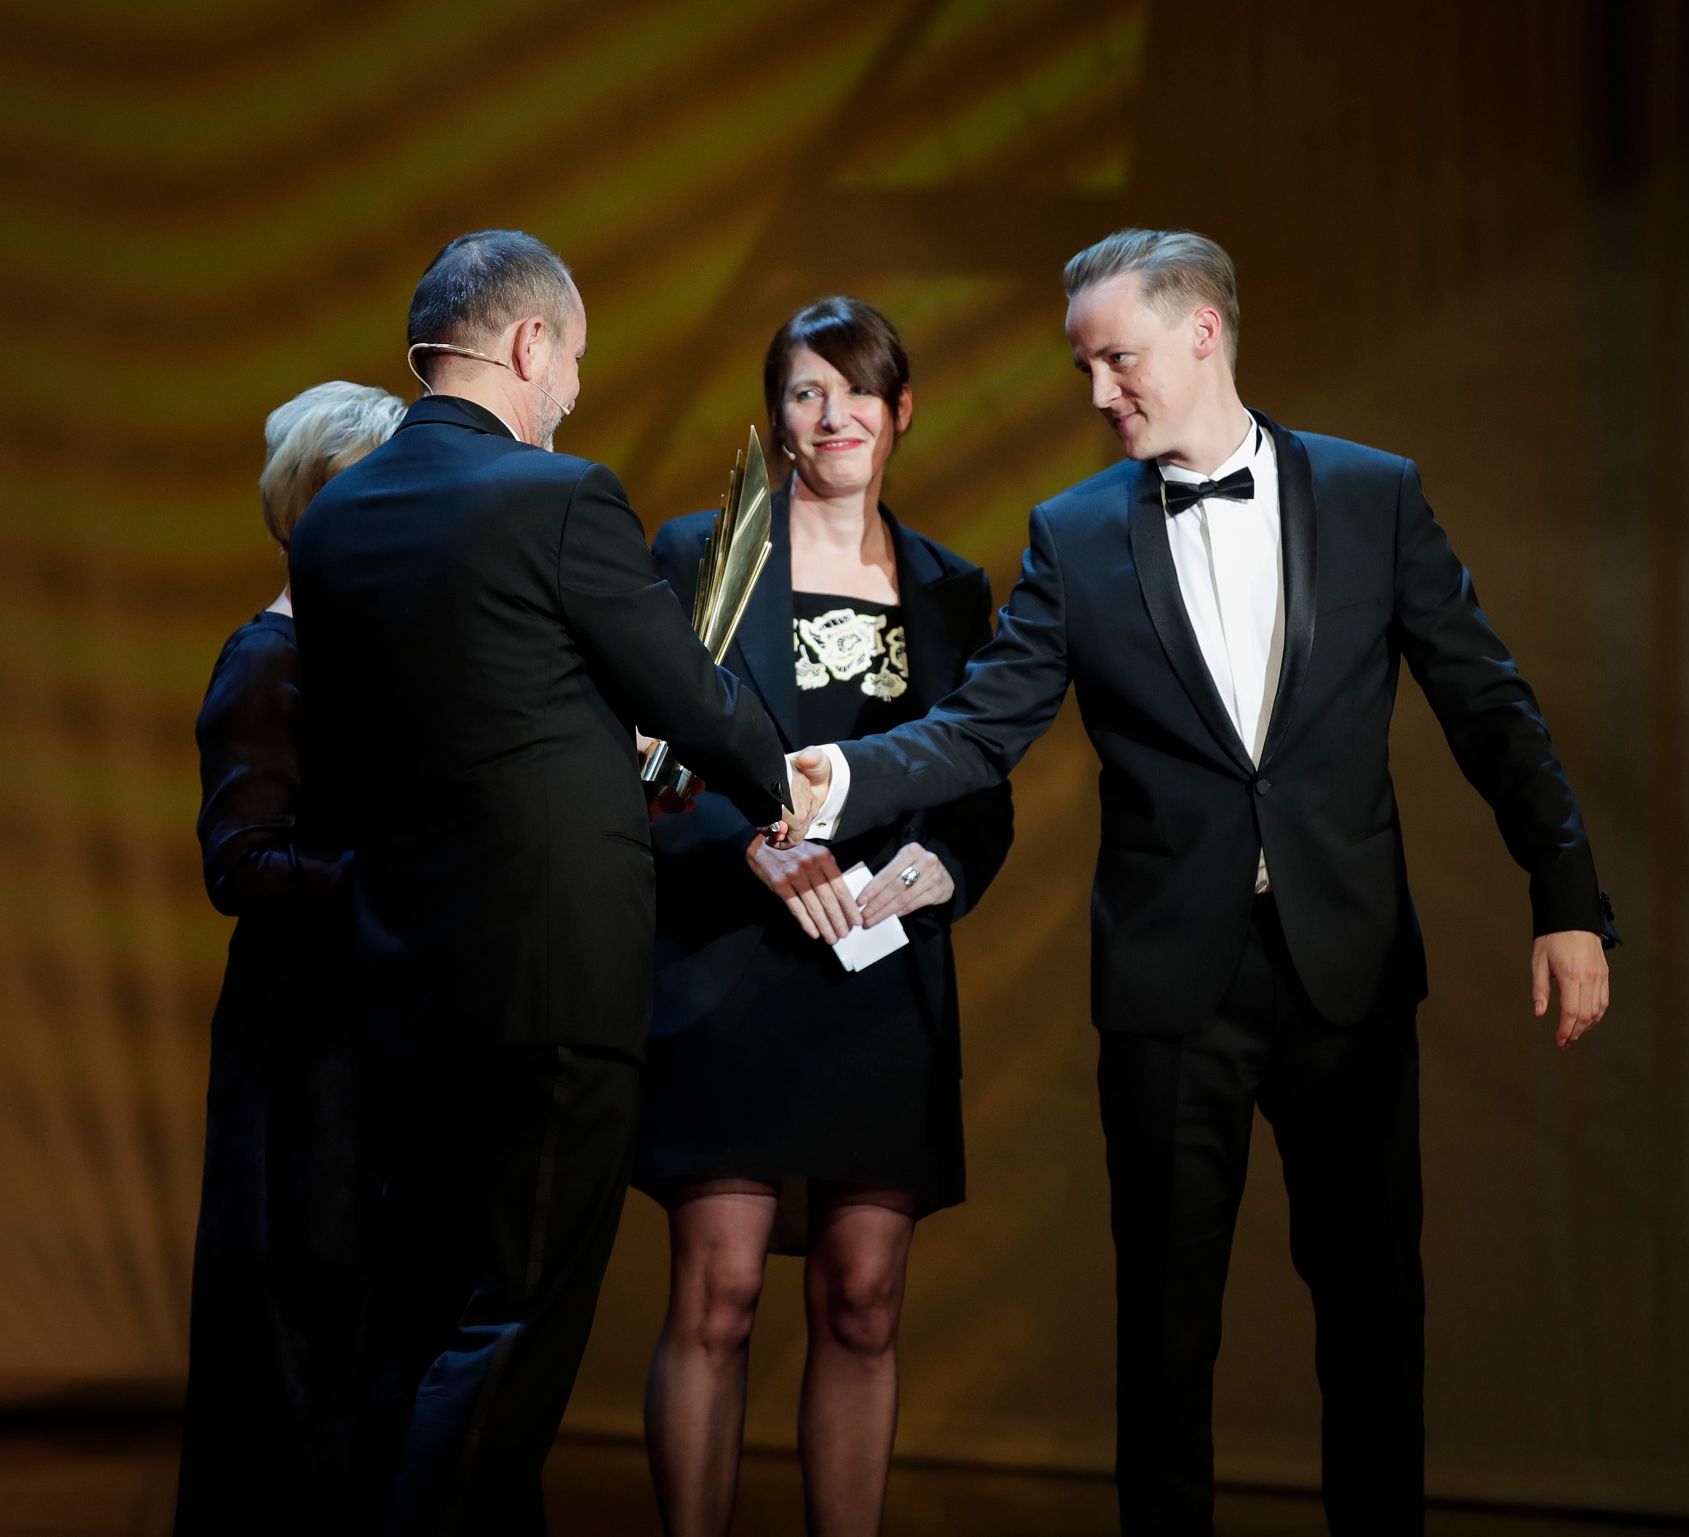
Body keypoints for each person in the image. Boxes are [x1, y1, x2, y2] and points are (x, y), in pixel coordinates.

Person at [789, 229, 1618, 1535]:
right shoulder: (1073, 533)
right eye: (1082, 368)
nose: (1098, 392)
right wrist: (839, 778)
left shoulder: (1370, 495)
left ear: (1202, 335)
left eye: (1116, 359)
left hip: (1346, 971)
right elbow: (983, 726)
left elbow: (1488, 706)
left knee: (1371, 1325)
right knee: (1166, 1345)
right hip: (1176, 990)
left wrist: (1565, 894)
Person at [287, 230, 803, 1535]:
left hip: (401, 980)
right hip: (552, 981)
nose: (571, 389)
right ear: (526, 345)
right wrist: (790, 788)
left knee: (424, 1315)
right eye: (572, 360)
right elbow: (689, 694)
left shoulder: (338, 518)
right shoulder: (558, 497)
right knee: (517, 1316)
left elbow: (379, 743)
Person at [636, 298, 1013, 1537]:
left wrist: (927, 877)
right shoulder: (696, 555)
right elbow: (636, 768)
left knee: (862, 1299)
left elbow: (979, 796)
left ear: (899, 412)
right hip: (728, 960)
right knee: (720, 1294)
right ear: (776, 416)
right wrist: (741, 846)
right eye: (804, 392)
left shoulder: (953, 591)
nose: (831, 414)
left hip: (879, 972)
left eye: (856, 391)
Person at [175, 381, 407, 1536]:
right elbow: (243, 865)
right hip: (302, 1053)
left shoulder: (378, 662)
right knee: (298, 1334)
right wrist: (416, 876)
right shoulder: (268, 662)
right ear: (320, 507)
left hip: (370, 1040)